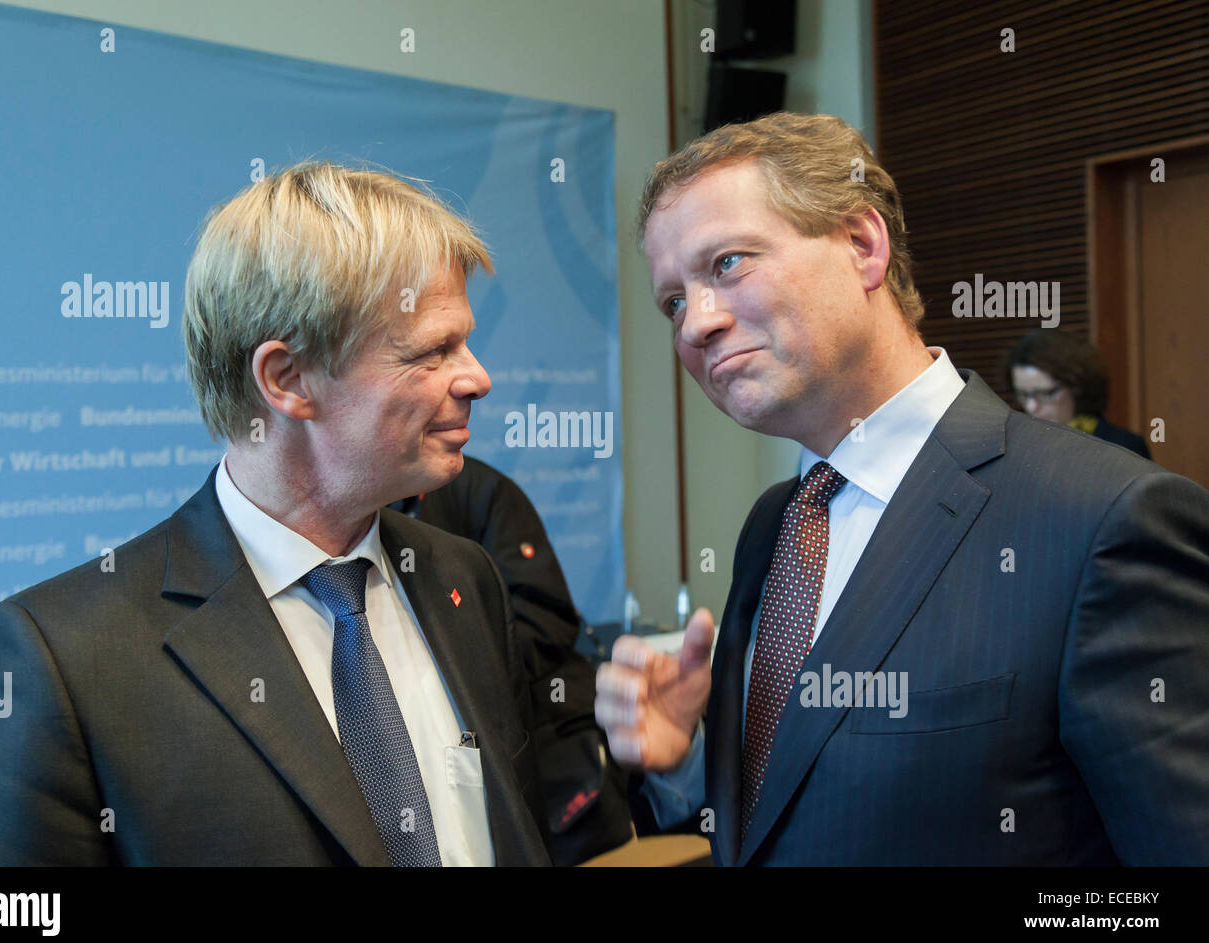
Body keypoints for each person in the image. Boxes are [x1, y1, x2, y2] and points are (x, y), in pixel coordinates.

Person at [595, 112, 1209, 865]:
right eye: (673, 301)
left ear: (862, 245)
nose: (696, 324)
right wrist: (688, 762)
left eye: (725, 264)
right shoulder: (774, 527)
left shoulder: (1101, 519)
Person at [0, 162, 550, 866]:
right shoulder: (71, 658)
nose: (477, 377)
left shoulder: (462, 580)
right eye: (434, 350)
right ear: (287, 380)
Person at [390, 456, 634, 864]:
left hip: (551, 779)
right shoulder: (369, 512)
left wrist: (454, 666)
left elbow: (548, 616)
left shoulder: (479, 490)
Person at [1004, 329, 1151, 458]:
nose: (1031, 407)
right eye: (1023, 395)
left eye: (1045, 394)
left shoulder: (1124, 447)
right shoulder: (1018, 448)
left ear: (1077, 386)